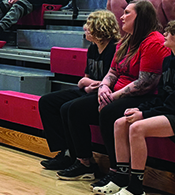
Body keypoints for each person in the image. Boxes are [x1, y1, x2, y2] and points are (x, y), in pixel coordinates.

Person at [57, 1, 169, 184]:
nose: (122, 17)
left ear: (140, 17)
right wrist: (104, 87)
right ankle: (85, 163)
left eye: (127, 13)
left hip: (144, 97)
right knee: (73, 108)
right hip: (115, 93)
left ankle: (117, 170)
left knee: (109, 112)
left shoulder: (154, 42)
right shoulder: (126, 40)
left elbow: (145, 83)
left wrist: (112, 96)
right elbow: (113, 71)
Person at [105, 18, 175, 195]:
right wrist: (142, 110)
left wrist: (145, 114)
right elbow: (164, 97)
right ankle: (120, 178)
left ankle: (136, 187)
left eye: (171, 32)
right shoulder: (169, 61)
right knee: (120, 123)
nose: (165, 34)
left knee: (137, 128)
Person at [38, 10, 120, 171]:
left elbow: (113, 80)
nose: (85, 29)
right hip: (90, 89)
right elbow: (85, 78)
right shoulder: (93, 48)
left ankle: (84, 160)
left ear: (100, 28)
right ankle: (66, 152)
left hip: (106, 94)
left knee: (70, 107)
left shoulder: (115, 49)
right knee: (47, 102)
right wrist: (88, 83)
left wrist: (89, 83)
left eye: (88, 27)